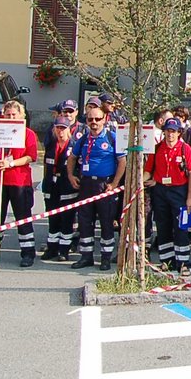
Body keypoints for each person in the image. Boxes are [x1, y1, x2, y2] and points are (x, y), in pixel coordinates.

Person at [0, 99, 40, 268]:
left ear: (22, 115)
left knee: (22, 217)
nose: (11, 117)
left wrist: (11, 163)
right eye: (8, 115)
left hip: (19, 180)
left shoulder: (28, 134)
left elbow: (31, 156)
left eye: (14, 114)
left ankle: (28, 253)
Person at [68, 102, 124, 271]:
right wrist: (71, 175)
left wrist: (114, 183)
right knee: (85, 221)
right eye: (90, 119)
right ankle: (86, 256)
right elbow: (72, 157)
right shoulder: (83, 138)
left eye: (97, 119)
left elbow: (122, 161)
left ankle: (105, 258)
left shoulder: (112, 137)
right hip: (86, 184)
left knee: (107, 222)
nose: (94, 122)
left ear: (104, 119)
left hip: (104, 184)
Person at [144, 118, 191, 273]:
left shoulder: (184, 148)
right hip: (160, 191)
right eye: (168, 131)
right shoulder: (158, 148)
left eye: (173, 131)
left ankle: (184, 262)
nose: (170, 134)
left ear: (179, 133)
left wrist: (190, 197)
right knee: (163, 226)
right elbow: (148, 171)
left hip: (179, 191)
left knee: (181, 227)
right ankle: (167, 260)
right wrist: (139, 181)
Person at [40, 114, 77, 261]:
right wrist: (45, 183)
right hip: (51, 186)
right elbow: (45, 166)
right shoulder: (50, 146)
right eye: (58, 128)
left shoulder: (73, 146)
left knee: (67, 219)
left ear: (69, 130)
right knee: (52, 219)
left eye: (63, 128)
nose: (60, 131)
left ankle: (64, 250)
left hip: (67, 187)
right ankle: (52, 248)